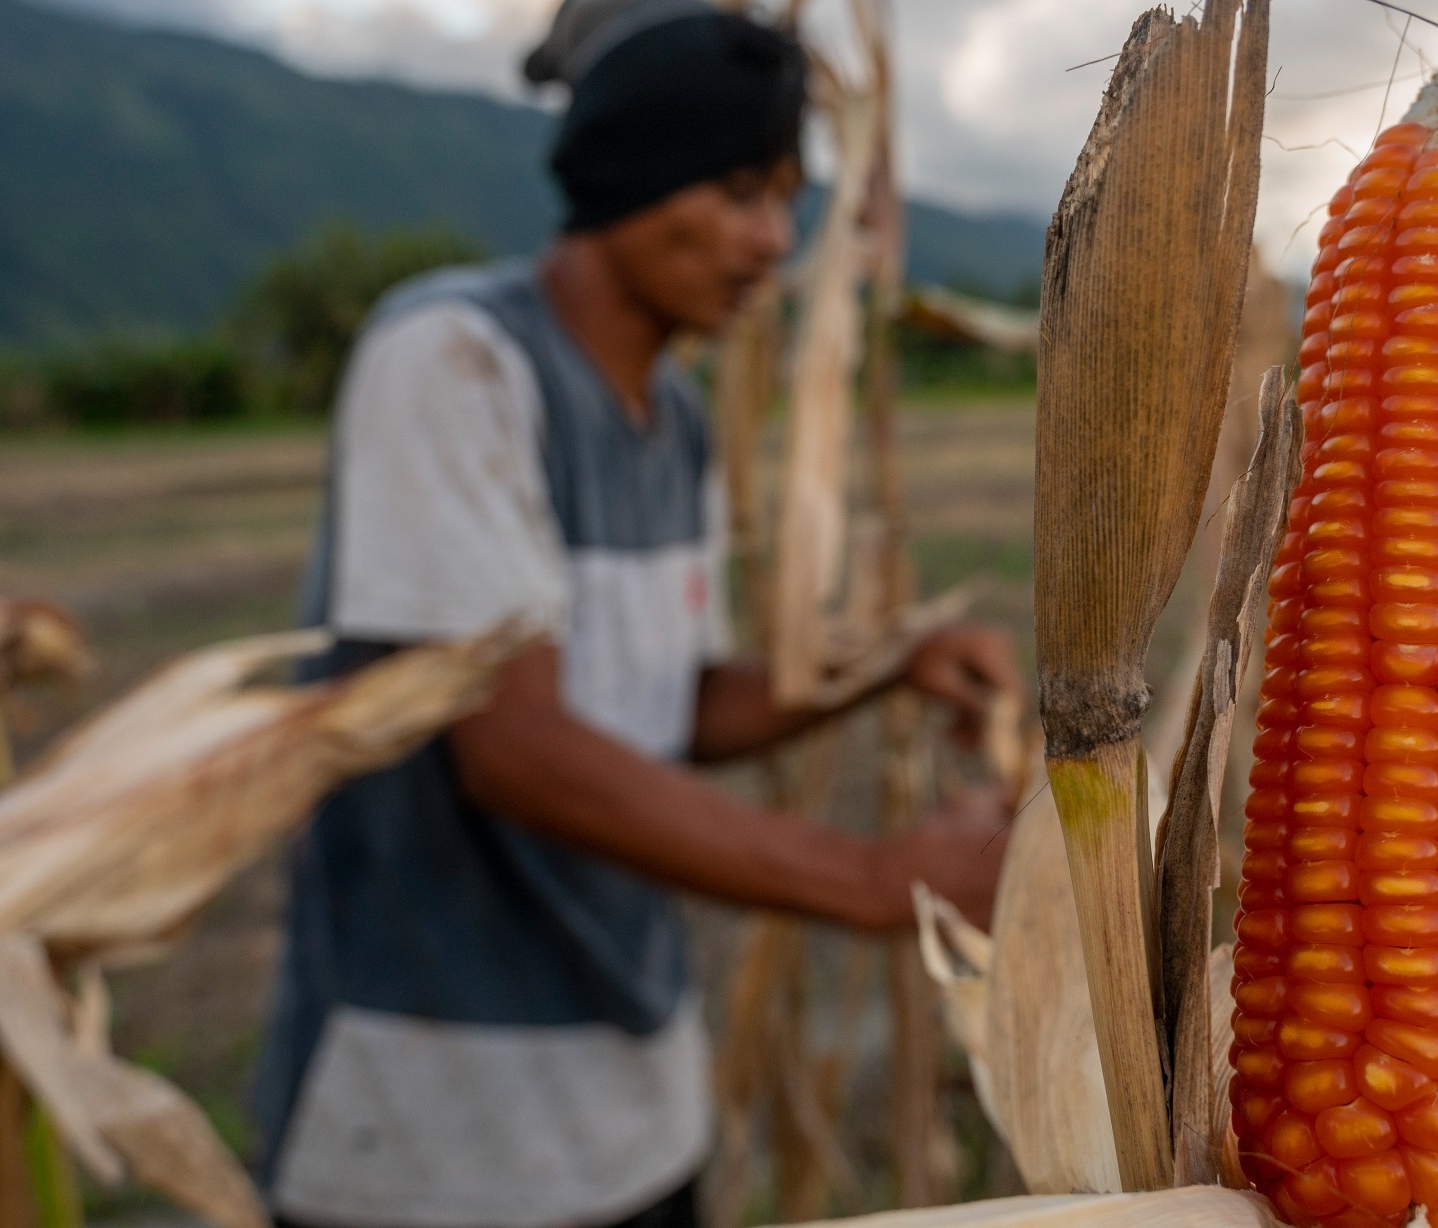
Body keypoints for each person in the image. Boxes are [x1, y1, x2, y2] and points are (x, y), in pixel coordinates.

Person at [251, 5, 1020, 1226]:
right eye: (737, 191)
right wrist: (878, 878)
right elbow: (517, 750)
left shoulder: (678, 421)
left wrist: (888, 663)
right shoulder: (455, 358)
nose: (772, 241)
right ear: (627, 171)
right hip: (433, 1129)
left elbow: (673, 705)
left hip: (639, 1109)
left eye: (786, 199)